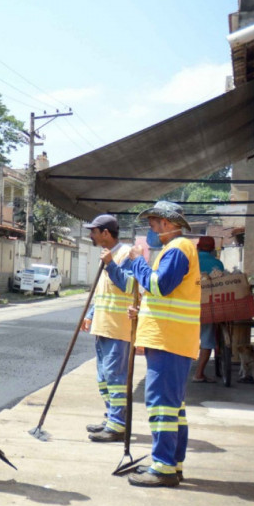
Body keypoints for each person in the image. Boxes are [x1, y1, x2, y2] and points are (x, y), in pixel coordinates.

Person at [104, 201, 200, 487]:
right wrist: (143, 309)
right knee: (173, 408)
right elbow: (163, 295)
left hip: (169, 340)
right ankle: (172, 463)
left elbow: (159, 285)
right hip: (172, 339)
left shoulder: (177, 249)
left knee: (162, 406)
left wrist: (135, 262)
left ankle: (163, 467)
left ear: (168, 224)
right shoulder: (177, 249)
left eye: (155, 223)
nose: (151, 229)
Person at [80, 214, 136, 442]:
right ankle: (111, 417)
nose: (90, 235)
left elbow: (129, 285)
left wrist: (111, 264)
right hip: (103, 326)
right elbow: (104, 291)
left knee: (115, 376)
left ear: (105, 233)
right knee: (103, 377)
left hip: (118, 328)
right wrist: (91, 314)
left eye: (93, 231)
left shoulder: (127, 254)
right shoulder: (107, 256)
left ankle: (118, 425)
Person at [192, 236, 225, 383]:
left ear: (198, 247)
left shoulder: (190, 261)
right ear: (212, 249)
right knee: (206, 339)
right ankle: (199, 374)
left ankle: (178, 371)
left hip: (187, 306)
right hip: (208, 306)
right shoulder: (217, 263)